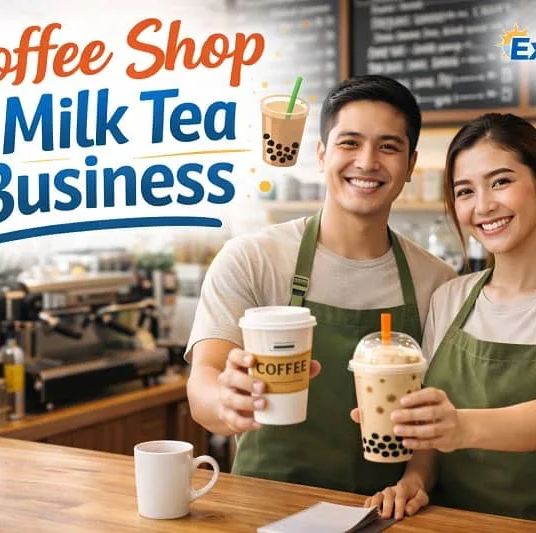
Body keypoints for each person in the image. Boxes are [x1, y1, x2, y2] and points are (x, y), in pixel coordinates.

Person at [358, 113, 536, 529]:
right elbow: (434, 433)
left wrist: (458, 426)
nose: (483, 206)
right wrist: (415, 479)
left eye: (501, 181)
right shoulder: (449, 297)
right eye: (465, 191)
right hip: (450, 523)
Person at [185, 75, 456, 495]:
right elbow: (204, 380)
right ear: (321, 154)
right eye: (349, 143)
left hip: (387, 514)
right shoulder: (252, 259)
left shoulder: (438, 283)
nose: (367, 162)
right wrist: (225, 402)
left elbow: (438, 416)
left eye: (388, 146)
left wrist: (416, 481)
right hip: (265, 508)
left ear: (410, 165)